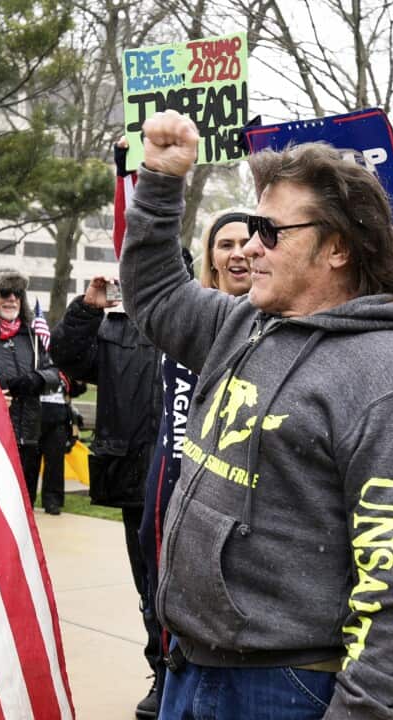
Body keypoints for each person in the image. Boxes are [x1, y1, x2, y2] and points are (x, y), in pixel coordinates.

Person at [121, 109, 393, 718]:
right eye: (253, 226)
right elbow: (155, 297)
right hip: (190, 667)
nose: (250, 248)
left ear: (336, 249)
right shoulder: (243, 322)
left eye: (271, 232)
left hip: (288, 688)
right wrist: (161, 181)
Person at [135, 208, 252, 717]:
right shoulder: (190, 314)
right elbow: (143, 263)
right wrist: (134, 179)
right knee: (156, 564)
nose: (238, 252)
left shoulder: (273, 317)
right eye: (224, 244)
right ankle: (166, 667)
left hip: (237, 472)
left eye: (248, 240)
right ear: (210, 257)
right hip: (176, 461)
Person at [50, 272, 164, 717]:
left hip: (192, 476)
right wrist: (86, 309)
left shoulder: (197, 323)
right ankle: (163, 670)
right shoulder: (114, 329)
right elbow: (66, 357)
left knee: (186, 587)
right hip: (136, 479)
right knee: (149, 586)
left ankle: (191, 669)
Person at [0, 267, 64, 510]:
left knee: (22, 508)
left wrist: (38, 379)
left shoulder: (32, 336)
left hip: (28, 437)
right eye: (4, 292)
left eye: (17, 293)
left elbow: (55, 372)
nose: (11, 298)